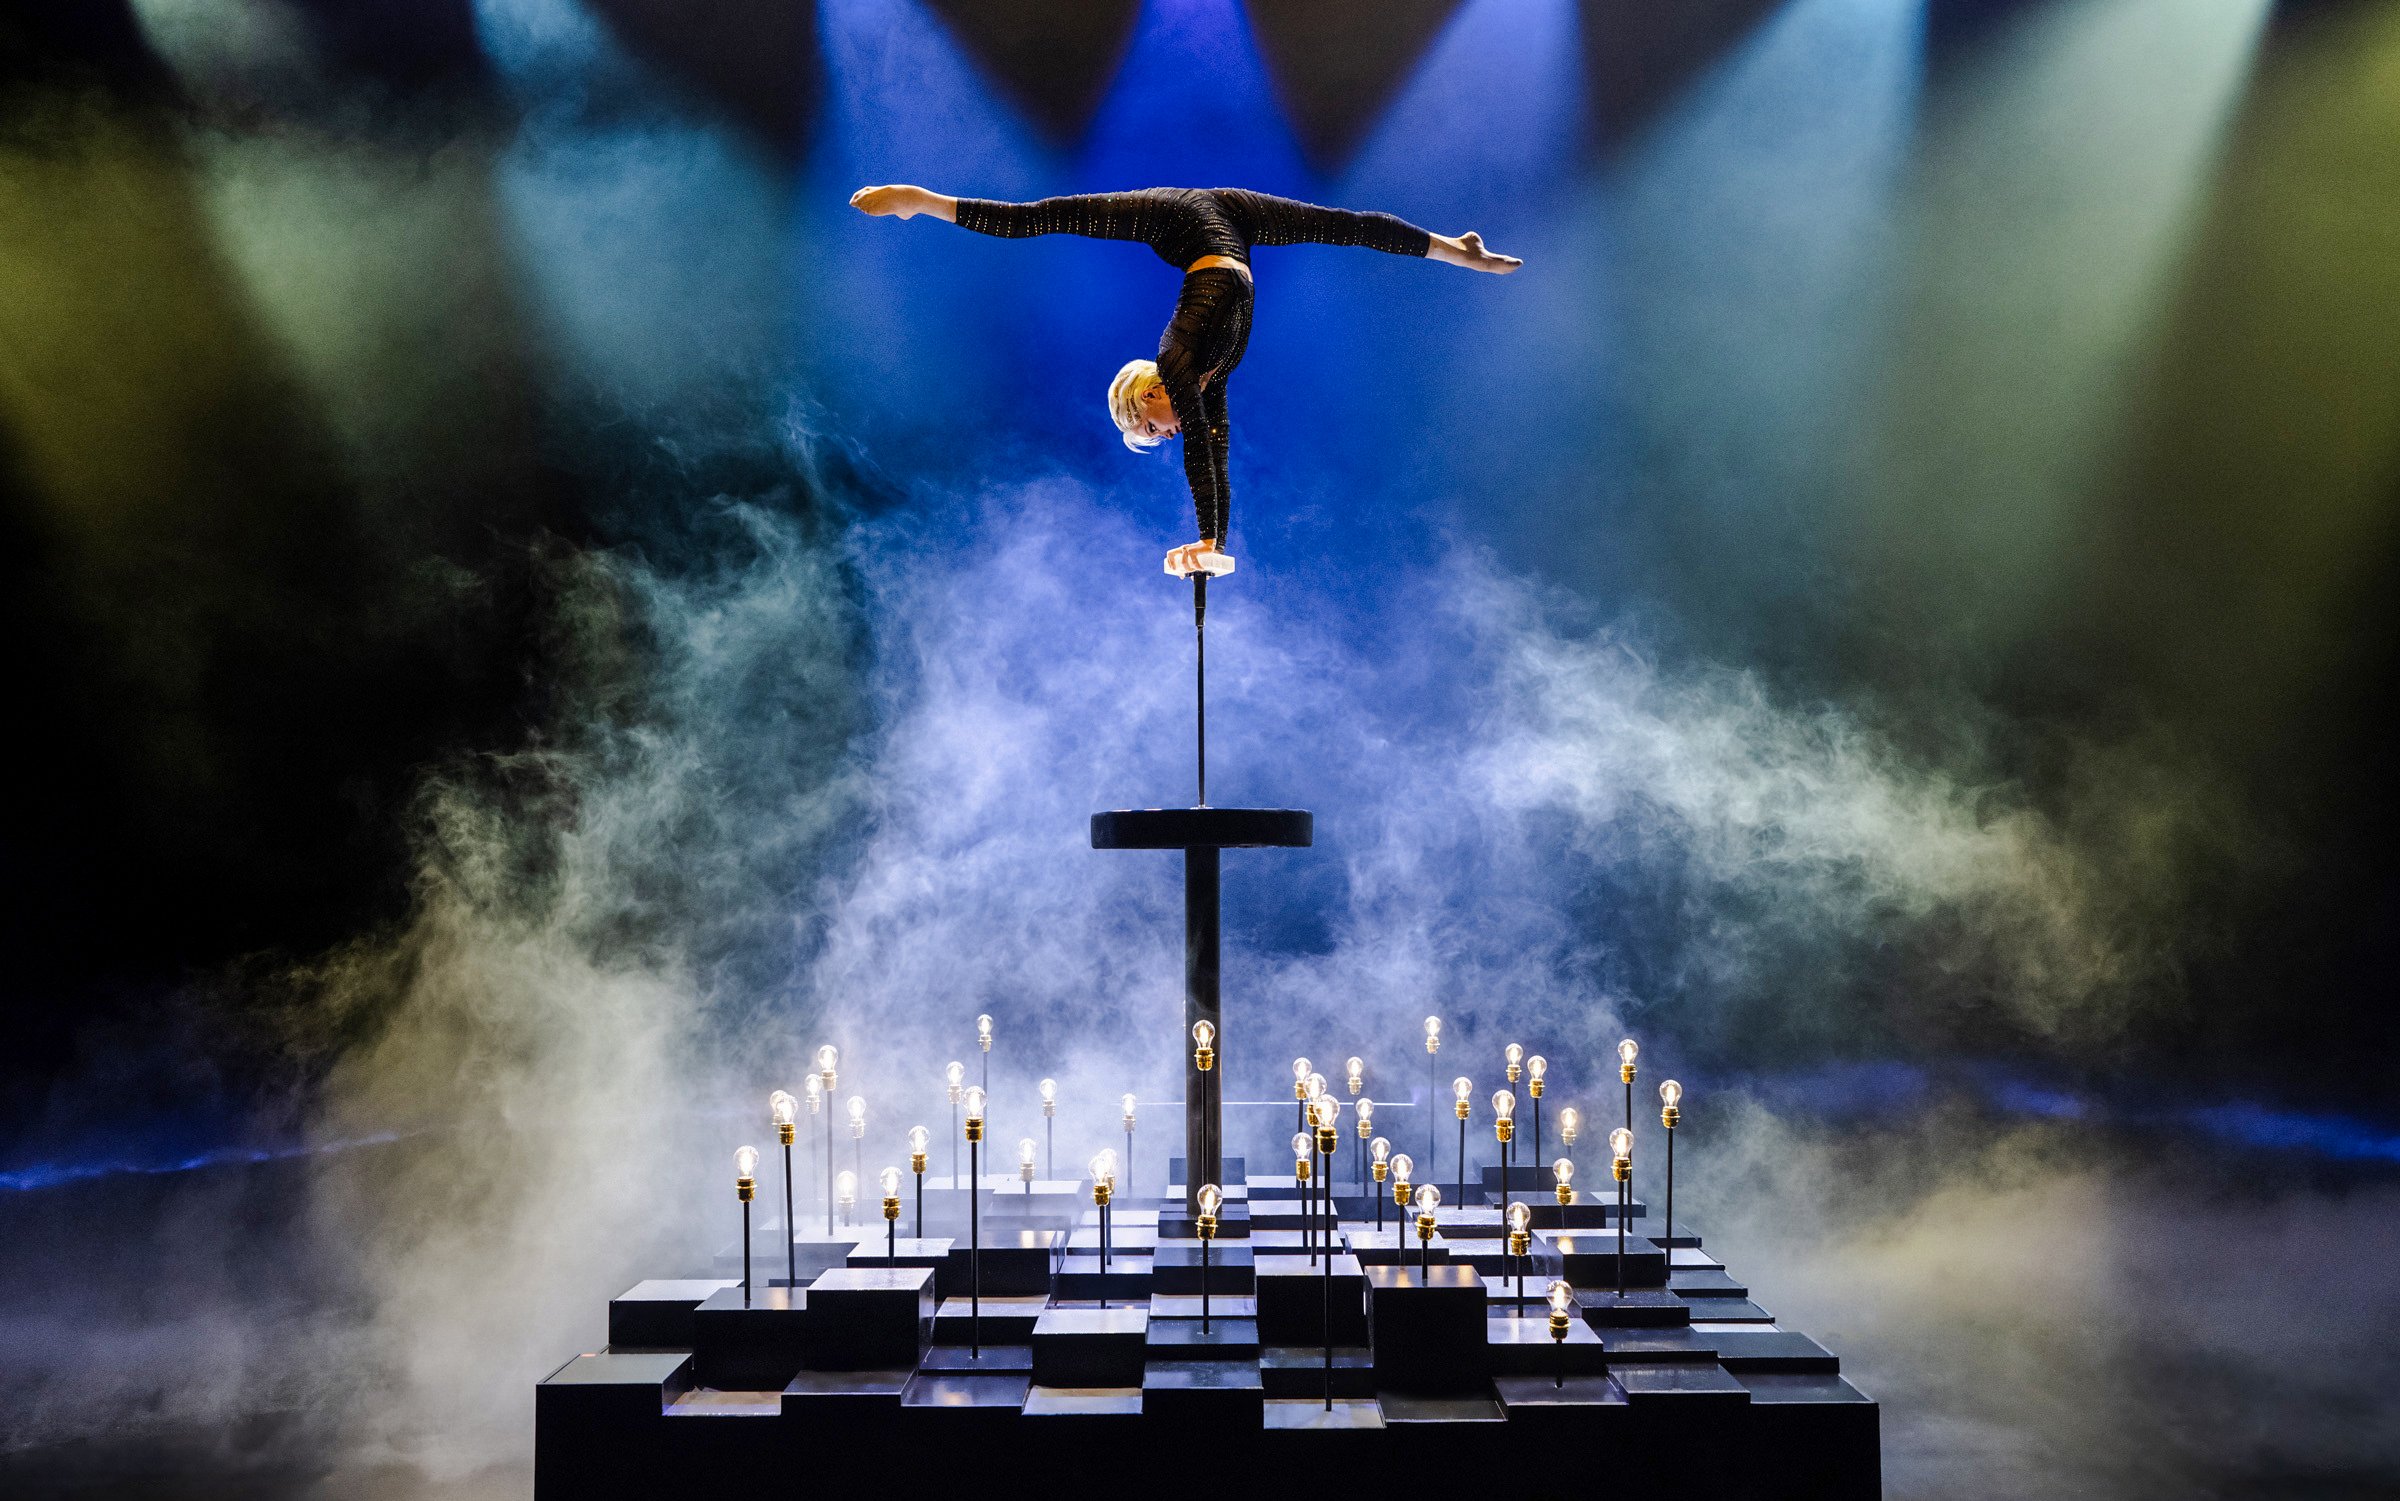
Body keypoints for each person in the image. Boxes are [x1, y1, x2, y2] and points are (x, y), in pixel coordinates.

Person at [850, 184, 1520, 577]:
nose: (1167, 434)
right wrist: (1215, 545)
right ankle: (1454, 250)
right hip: (1231, 224)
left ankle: (921, 201)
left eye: (1152, 430)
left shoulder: (1175, 355)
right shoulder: (1211, 375)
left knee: (1042, 216)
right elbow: (1217, 451)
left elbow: (1199, 446)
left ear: (1146, 400)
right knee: (1339, 228)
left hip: (1176, 220)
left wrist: (1205, 538)